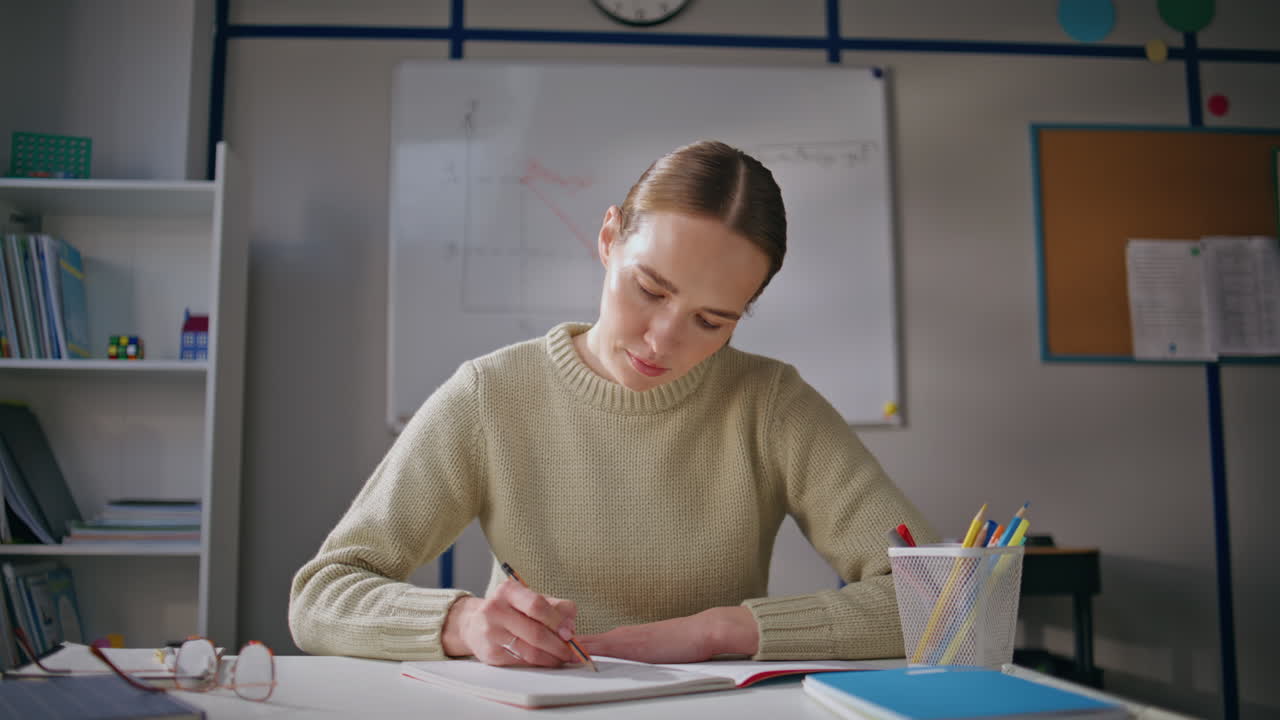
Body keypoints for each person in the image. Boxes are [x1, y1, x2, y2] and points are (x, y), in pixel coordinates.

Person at [289, 140, 936, 668]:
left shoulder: (770, 403)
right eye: (649, 289)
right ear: (608, 239)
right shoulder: (492, 395)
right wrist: (460, 622)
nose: (663, 340)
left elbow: (941, 599)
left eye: (711, 321)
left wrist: (724, 631)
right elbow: (321, 596)